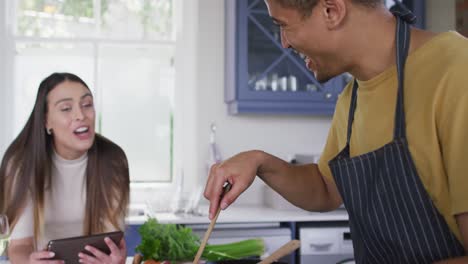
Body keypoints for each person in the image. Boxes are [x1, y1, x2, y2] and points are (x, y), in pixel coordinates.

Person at [204, 0, 468, 262]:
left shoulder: (456, 71)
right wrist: (259, 161)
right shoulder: (351, 99)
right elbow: (325, 187)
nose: (284, 43)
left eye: (284, 25)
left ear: (332, 11)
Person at [0, 73, 130, 264]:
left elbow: (111, 242)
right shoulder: (21, 163)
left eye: (87, 105)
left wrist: (115, 260)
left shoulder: (113, 160)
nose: (80, 115)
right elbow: (19, 247)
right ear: (46, 121)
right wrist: (29, 261)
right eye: (66, 108)